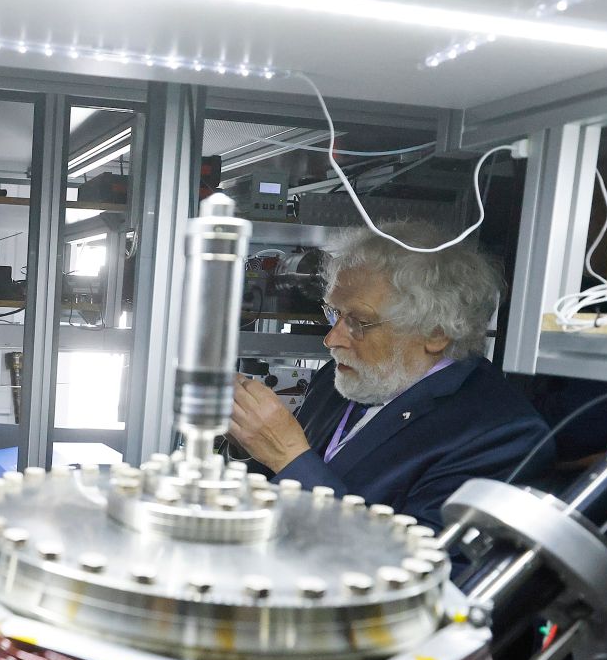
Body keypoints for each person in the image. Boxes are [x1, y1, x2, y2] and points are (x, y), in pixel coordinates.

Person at [227, 223, 551, 531]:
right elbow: (282, 485)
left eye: (358, 321)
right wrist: (248, 440)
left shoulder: (500, 436)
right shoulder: (341, 377)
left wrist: (288, 454)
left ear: (435, 332)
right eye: (334, 313)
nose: (332, 339)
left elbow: (418, 571)